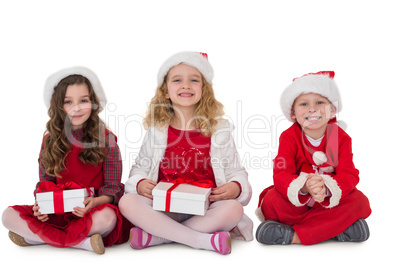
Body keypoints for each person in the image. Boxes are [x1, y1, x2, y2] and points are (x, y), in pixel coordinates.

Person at [119, 51, 253, 255]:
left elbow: (236, 171)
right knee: (127, 201)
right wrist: (139, 182)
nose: (186, 85)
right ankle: (200, 240)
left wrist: (236, 187)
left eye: (194, 80)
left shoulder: (219, 129)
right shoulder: (157, 129)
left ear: (204, 90)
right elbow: (140, 167)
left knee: (234, 209)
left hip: (206, 208)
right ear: (166, 91)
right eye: (177, 80)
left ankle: (157, 237)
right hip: (164, 209)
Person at [2, 67, 130, 254]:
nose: (76, 108)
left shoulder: (107, 139)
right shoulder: (49, 140)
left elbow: (113, 188)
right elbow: (45, 183)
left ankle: (39, 239)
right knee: (7, 216)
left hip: (90, 212)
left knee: (109, 217)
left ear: (94, 103)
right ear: (58, 106)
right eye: (68, 102)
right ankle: (82, 243)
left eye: (83, 101)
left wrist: (94, 203)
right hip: (58, 213)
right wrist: (40, 208)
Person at [255, 71, 371, 245]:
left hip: (326, 201)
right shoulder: (289, 137)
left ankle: (294, 237)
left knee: (358, 201)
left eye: (319, 102)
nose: (312, 109)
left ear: (332, 109)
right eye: (304, 104)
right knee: (271, 201)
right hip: (298, 202)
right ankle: (336, 229)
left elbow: (349, 174)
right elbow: (281, 173)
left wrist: (327, 188)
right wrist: (304, 187)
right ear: (293, 112)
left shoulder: (339, 137)